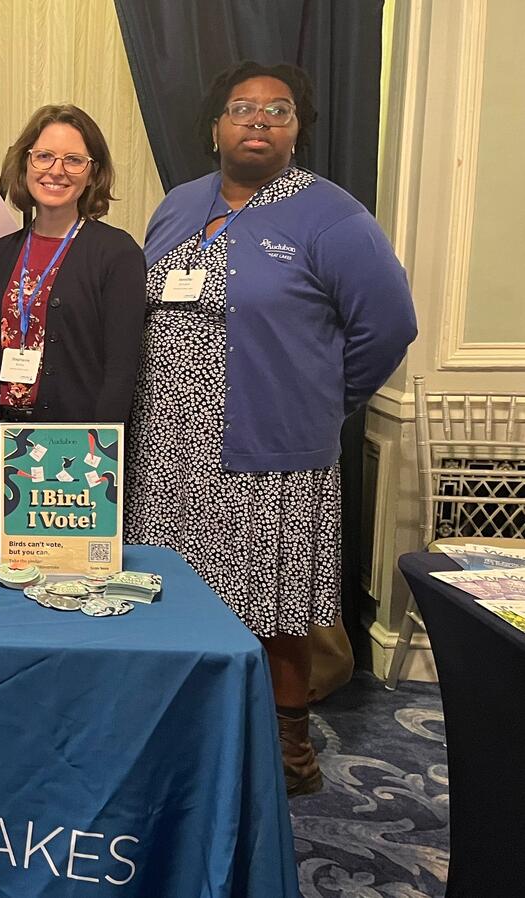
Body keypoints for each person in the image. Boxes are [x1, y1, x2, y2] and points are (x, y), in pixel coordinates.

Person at [125, 62, 416, 796]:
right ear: (214, 127)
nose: (257, 122)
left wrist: (319, 401)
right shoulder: (178, 205)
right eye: (241, 110)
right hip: (168, 448)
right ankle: (187, 727)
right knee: (175, 595)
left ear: (297, 130)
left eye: (276, 111)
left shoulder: (332, 216)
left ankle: (287, 749)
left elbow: (387, 326)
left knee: (274, 602)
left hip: (269, 451)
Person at [0, 105, 147, 514]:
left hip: (78, 453)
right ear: (25, 162)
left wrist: (101, 456)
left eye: (74, 160)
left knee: (73, 576)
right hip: (5, 447)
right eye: (44, 156)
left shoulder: (116, 253)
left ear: (93, 173)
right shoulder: (0, 253)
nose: (56, 170)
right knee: (10, 572)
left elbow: (122, 370)